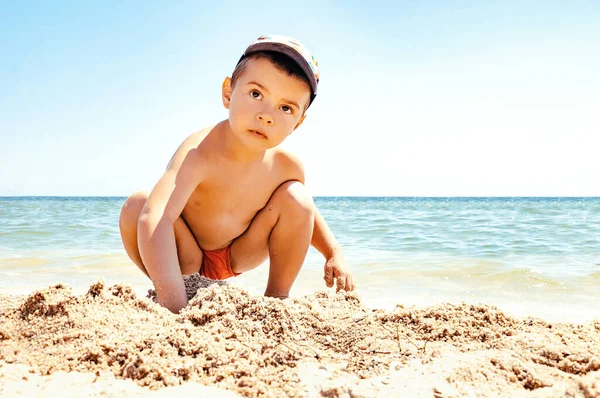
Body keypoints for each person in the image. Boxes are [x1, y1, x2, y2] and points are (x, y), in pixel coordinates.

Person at [119, 34, 354, 313]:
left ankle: (276, 299)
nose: (267, 115)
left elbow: (305, 214)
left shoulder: (285, 165)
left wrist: (332, 252)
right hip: (186, 253)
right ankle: (172, 291)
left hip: (240, 252)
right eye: (256, 94)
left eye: (285, 108)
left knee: (297, 196)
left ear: (298, 123)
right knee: (138, 205)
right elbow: (156, 217)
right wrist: (174, 306)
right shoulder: (199, 152)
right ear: (228, 92)